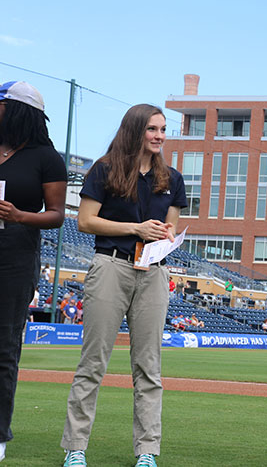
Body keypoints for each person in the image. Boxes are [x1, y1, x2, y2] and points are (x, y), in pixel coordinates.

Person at [60, 104, 186, 467]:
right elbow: (85, 221)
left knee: (149, 368)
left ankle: (147, 452)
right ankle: (75, 448)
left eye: (162, 129)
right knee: (93, 363)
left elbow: (171, 225)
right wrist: (136, 228)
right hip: (111, 266)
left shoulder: (172, 178)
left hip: (154, 273)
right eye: (152, 129)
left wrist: (166, 234)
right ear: (135, 131)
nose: (160, 135)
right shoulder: (104, 169)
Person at [0, 81, 67, 462]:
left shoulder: (46, 157)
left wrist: (19, 215)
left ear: (15, 109)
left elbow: (57, 215)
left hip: (14, 255)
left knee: (4, 350)